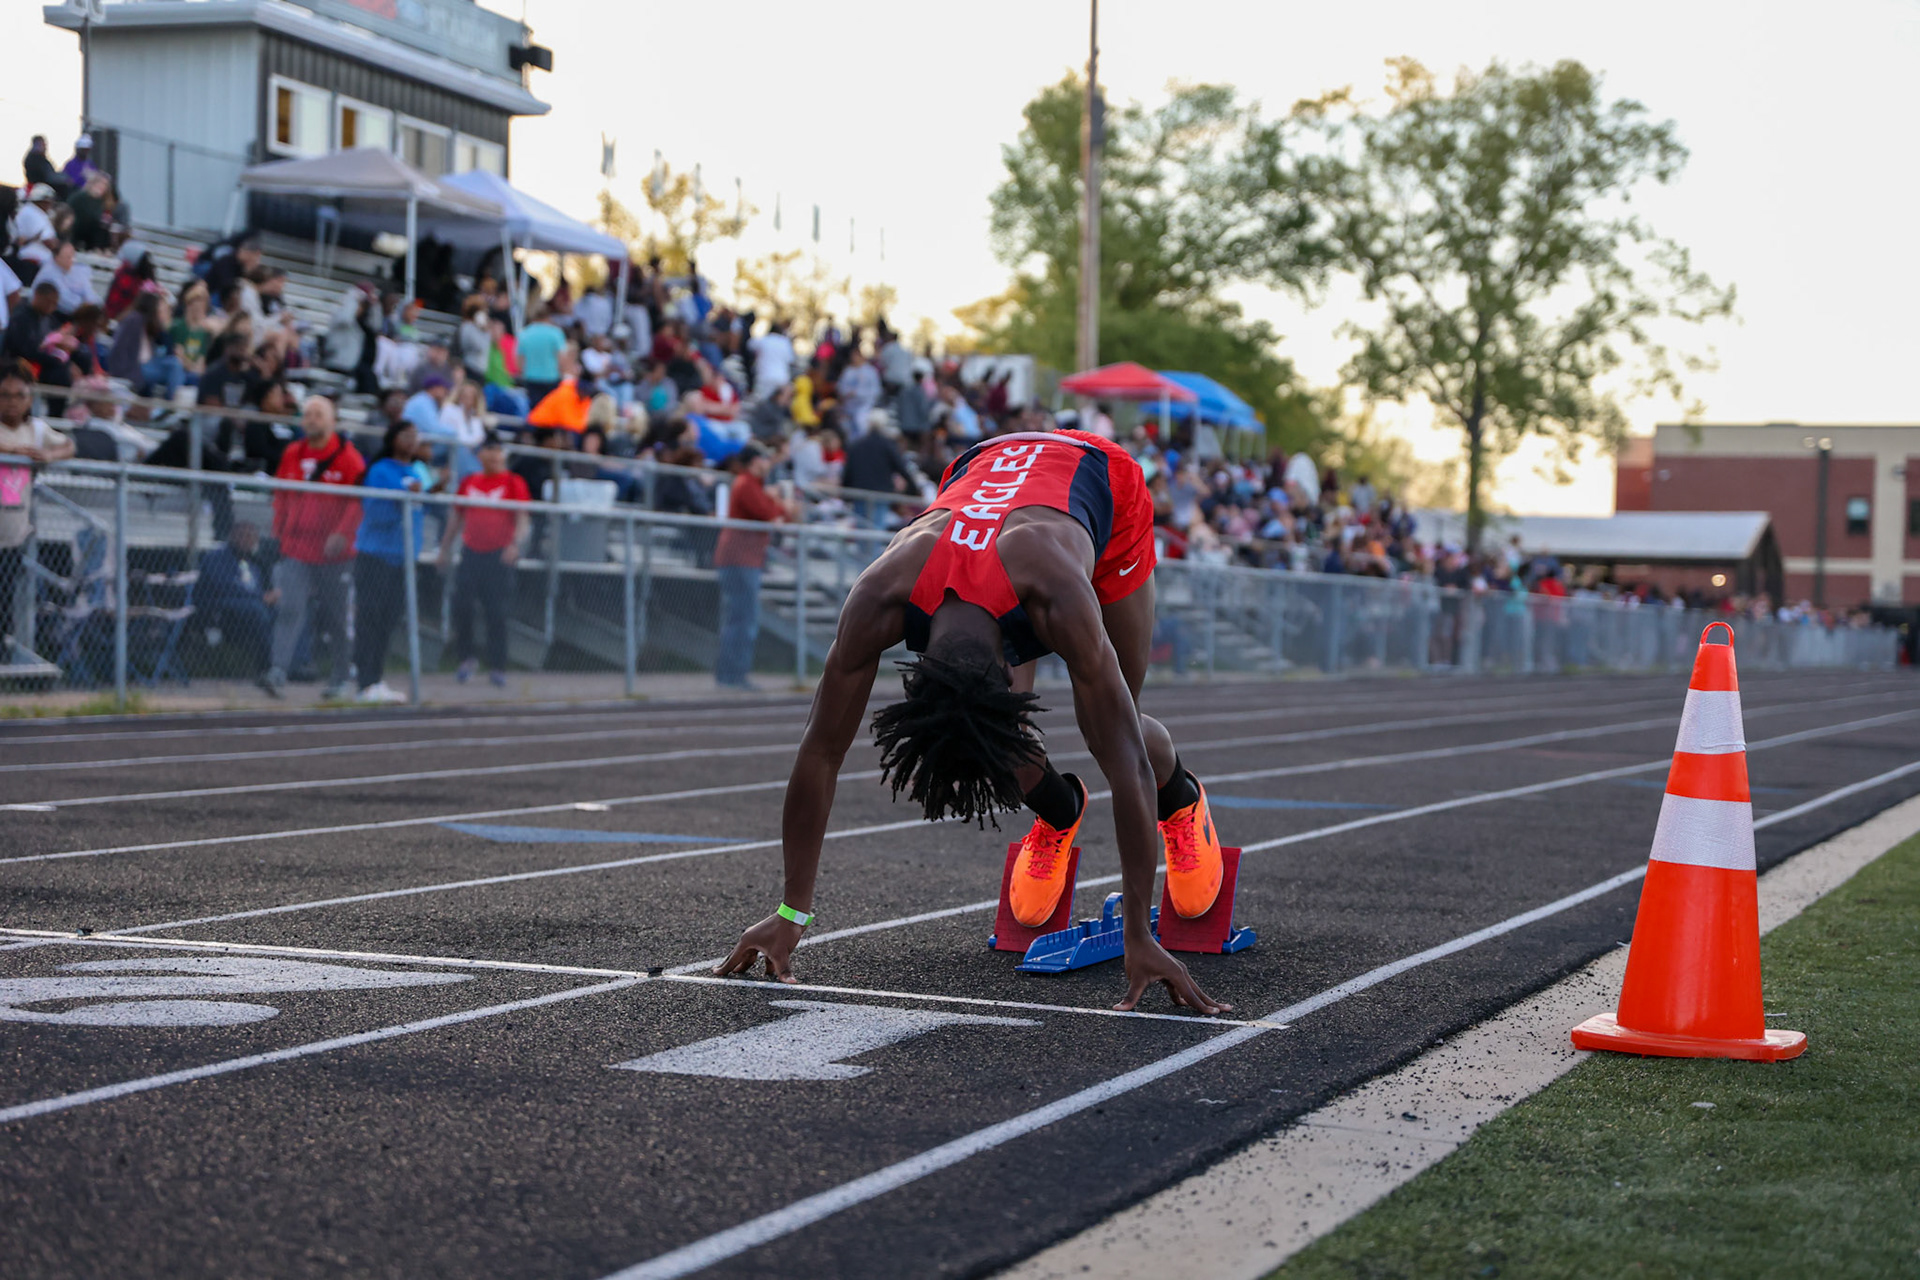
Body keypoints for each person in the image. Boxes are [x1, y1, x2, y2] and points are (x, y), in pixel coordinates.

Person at [715, 427, 1231, 1014]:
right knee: (989, 746)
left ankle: (1183, 802)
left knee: (1122, 723)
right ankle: (1060, 814)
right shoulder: (881, 594)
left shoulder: (1057, 594)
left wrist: (1140, 931)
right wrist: (790, 911)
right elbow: (820, 751)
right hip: (981, 466)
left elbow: (1128, 763)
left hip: (1098, 476)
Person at [266, 395, 365, 699]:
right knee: (290, 608)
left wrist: (342, 534)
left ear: (332, 420)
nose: (312, 420)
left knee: (336, 616)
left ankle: (339, 675)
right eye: (308, 414)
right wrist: (280, 531)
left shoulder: (349, 458)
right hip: (297, 548)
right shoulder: (293, 453)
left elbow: (357, 502)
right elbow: (282, 494)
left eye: (318, 414)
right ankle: (277, 671)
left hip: (334, 555)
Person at [438, 432, 528, 687]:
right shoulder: (469, 482)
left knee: (496, 612)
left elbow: (522, 517)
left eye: (497, 450)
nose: (494, 455)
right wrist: (444, 549)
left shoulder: (512, 481)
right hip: (471, 552)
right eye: (488, 450)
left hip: (498, 555)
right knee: (462, 605)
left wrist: (514, 544)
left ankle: (498, 665)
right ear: (480, 455)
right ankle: (466, 658)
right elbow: (456, 517)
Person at [351, 420, 429, 704]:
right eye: (405, 435)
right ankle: (364, 682)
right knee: (370, 616)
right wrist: (405, 498)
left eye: (414, 435)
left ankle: (376, 679)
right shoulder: (381, 470)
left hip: (402, 559)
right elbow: (376, 512)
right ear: (392, 438)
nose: (411, 441)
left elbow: (424, 510)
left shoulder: (418, 471)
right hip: (376, 555)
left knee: (388, 620)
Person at [0, 364, 75, 652]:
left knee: (5, 605)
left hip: (12, 536)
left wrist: (48, 454)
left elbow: (70, 445)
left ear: (29, 399)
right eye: (4, 395)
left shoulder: (37, 430)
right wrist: (12, 452)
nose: (11, 401)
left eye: (18, 395)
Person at [712, 441, 799, 689]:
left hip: (743, 560)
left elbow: (778, 514)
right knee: (743, 620)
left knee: (739, 618)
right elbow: (769, 513)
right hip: (740, 561)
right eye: (763, 459)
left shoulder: (752, 484)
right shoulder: (747, 483)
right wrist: (782, 506)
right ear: (753, 462)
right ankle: (733, 675)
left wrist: (779, 506)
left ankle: (730, 674)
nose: (767, 464)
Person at [196, 521, 278, 678]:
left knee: (287, 610)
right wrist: (261, 597)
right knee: (257, 610)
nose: (247, 540)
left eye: (252, 537)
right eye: (243, 536)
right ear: (232, 537)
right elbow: (224, 587)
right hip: (220, 609)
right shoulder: (216, 558)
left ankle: (290, 666)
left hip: (251, 609)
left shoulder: (254, 563)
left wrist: (270, 596)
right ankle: (266, 668)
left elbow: (260, 588)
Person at [517, 306, 567, 407]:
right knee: (550, 410)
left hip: (531, 378)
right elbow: (562, 358)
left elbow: (519, 359)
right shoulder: (556, 333)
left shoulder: (524, 333)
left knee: (534, 410)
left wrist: (524, 371)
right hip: (551, 378)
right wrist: (561, 373)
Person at [32, 241, 98, 316]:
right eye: (68, 257)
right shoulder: (49, 273)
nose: (72, 260)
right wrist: (86, 307)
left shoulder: (69, 270)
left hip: (73, 311)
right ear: (57, 257)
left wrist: (93, 304)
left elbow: (87, 290)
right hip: (51, 315)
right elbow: (65, 301)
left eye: (73, 257)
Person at [10, 186, 60, 270]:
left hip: (33, 259)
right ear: (41, 201)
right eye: (49, 201)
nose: (51, 204)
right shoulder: (33, 212)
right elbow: (48, 241)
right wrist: (62, 250)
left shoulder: (31, 211)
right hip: (34, 260)